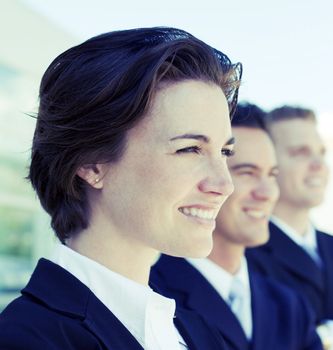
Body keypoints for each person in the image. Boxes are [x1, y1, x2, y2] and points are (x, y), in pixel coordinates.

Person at [0, 27, 242, 349]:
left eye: (224, 152)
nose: (224, 184)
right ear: (92, 163)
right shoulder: (24, 340)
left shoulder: (197, 332)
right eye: (189, 149)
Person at [151, 103, 322, 350]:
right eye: (247, 173)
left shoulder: (290, 306)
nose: (267, 193)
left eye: (272, 175)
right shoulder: (153, 294)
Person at [246, 106, 333, 347]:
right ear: (267, 162)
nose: (319, 164)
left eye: (321, 152)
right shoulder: (244, 253)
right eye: (300, 152)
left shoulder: (330, 245)